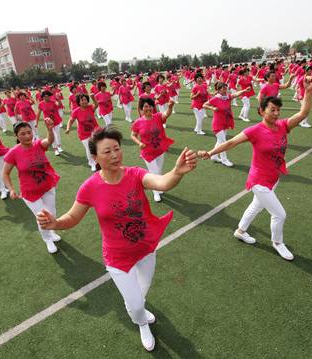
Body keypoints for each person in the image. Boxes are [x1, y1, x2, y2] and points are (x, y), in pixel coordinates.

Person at [36, 127, 198, 351]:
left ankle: (138, 310)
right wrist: (55, 224)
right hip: (117, 257)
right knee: (134, 304)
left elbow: (162, 183)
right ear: (95, 157)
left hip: (145, 248)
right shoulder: (90, 187)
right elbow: (73, 216)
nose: (114, 155)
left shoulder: (135, 174)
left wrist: (177, 172)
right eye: (106, 151)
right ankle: (141, 323)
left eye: (117, 149)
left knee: (141, 294)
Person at [198, 78, 312, 261]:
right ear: (261, 111)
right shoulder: (255, 130)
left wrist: (307, 91)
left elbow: (303, 113)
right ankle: (278, 243)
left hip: (274, 177)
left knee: (255, 206)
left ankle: (240, 230)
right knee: (279, 214)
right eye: (272, 110)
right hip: (259, 179)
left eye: (278, 110)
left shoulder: (283, 126)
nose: (276, 113)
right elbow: (231, 142)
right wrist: (211, 152)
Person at [2, 119, 62, 254]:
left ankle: (51, 232)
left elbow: (49, 141)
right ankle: (47, 239)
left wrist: (49, 129)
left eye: (29, 132)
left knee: (52, 214)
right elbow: (5, 173)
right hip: (30, 192)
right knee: (42, 217)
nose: (27, 136)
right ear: (16, 136)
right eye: (22, 134)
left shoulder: (38, 145)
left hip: (47, 186)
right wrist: (11, 189)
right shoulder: (14, 152)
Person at [130, 98, 175, 202]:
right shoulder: (138, 122)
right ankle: (156, 192)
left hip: (159, 150)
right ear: (142, 108)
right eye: (145, 106)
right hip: (148, 152)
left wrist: (170, 107)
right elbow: (133, 135)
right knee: (154, 172)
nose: (148, 108)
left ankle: (158, 187)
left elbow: (166, 114)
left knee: (159, 170)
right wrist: (139, 143)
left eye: (150, 106)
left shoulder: (158, 116)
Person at [202, 82, 250, 167]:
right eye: (223, 88)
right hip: (217, 124)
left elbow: (235, 94)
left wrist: (244, 90)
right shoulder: (215, 98)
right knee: (224, 142)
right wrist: (212, 108)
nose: (225, 89)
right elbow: (204, 105)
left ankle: (214, 156)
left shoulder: (227, 97)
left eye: (226, 88)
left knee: (220, 141)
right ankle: (224, 160)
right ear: (219, 90)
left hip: (225, 122)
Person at [66, 94, 101, 171]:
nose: (84, 101)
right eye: (82, 100)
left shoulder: (90, 108)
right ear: (79, 102)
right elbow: (71, 120)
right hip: (83, 134)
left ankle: (97, 160)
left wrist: (93, 98)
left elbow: (96, 104)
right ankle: (92, 163)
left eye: (85, 99)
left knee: (97, 147)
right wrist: (68, 128)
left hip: (94, 131)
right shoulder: (76, 111)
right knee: (89, 149)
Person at [37, 90, 64, 155]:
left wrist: (59, 99)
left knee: (57, 134)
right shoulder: (41, 104)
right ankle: (55, 149)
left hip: (56, 120)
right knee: (52, 135)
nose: (47, 98)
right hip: (48, 122)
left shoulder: (53, 102)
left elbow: (59, 105)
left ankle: (59, 146)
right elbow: (38, 114)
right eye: (45, 97)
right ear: (43, 97)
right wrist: (36, 122)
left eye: (48, 96)